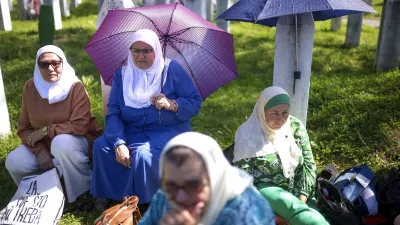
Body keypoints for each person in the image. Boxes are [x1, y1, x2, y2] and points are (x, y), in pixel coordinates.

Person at [90, 29, 202, 212]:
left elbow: (194, 103)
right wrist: (119, 142)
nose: (140, 56)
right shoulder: (122, 75)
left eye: (146, 51)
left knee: (142, 155)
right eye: (136, 51)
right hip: (130, 129)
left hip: (165, 131)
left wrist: (172, 104)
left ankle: (146, 202)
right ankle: (110, 193)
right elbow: (115, 112)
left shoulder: (171, 70)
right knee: (102, 146)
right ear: (130, 52)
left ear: (156, 51)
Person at [5, 45, 102, 204]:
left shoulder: (75, 86)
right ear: (38, 66)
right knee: (14, 161)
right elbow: (24, 128)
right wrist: (40, 151)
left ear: (63, 63)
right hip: (44, 144)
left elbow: (80, 125)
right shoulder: (30, 87)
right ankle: (41, 196)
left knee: (61, 143)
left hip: (77, 140)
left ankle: (81, 193)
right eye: (43, 64)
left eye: (55, 63)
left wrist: (47, 131)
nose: (50, 68)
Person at [233, 86, 329, 225]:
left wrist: (302, 199)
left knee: (317, 216)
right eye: (274, 113)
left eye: (285, 112)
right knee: (311, 220)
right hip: (267, 192)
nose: (281, 119)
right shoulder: (247, 135)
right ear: (262, 111)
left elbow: (309, 165)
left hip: (298, 189)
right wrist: (272, 216)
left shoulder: (295, 127)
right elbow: (243, 180)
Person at [138, 131, 275, 225]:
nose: (181, 197)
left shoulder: (246, 212)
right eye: (170, 185)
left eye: (193, 185)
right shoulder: (164, 197)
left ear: (215, 178)